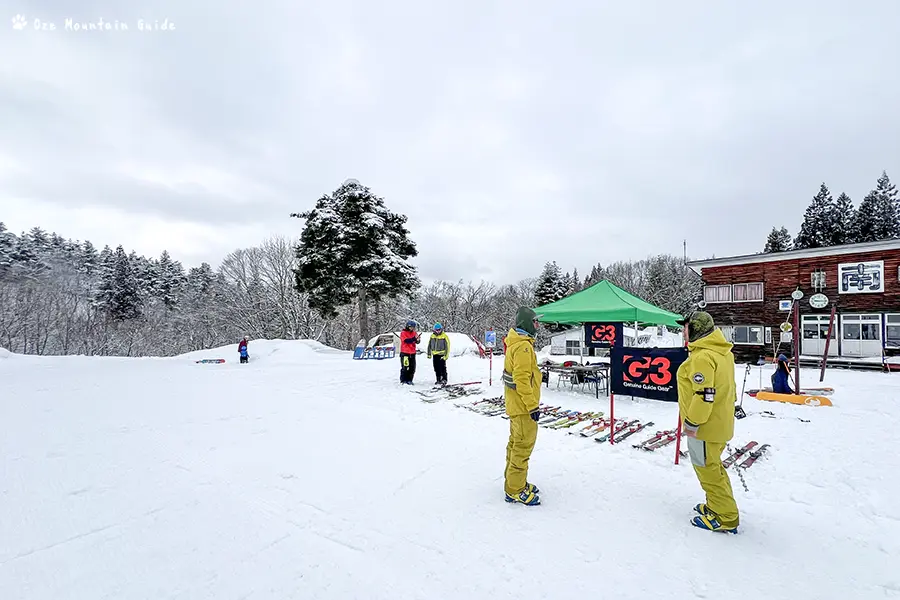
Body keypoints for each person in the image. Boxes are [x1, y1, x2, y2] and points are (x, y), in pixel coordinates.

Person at [675, 311, 740, 533]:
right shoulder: (721, 352)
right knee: (714, 467)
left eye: (685, 327)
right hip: (720, 422)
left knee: (708, 471)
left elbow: (704, 395)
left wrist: (692, 423)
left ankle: (725, 517)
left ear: (695, 329)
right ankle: (717, 506)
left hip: (705, 427)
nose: (683, 332)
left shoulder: (703, 357)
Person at [501, 306, 544, 506]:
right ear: (527, 323)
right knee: (522, 446)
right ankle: (515, 490)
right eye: (536, 321)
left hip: (516, 406)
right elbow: (522, 380)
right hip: (523, 408)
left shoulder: (517, 342)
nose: (538, 325)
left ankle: (514, 481)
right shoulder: (523, 347)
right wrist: (532, 406)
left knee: (515, 443)